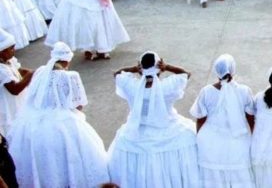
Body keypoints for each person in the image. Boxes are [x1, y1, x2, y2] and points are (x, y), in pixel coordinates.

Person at [8, 42, 109, 187]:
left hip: (33, 121)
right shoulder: (70, 76)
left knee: (44, 163)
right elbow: (78, 104)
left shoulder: (40, 71)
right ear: (68, 60)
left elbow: (32, 97)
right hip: (62, 121)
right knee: (68, 159)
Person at [108, 51, 197, 186]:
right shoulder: (166, 87)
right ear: (159, 68)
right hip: (168, 128)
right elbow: (186, 74)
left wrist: (132, 69)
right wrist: (168, 67)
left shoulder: (132, 86)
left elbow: (117, 74)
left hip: (137, 131)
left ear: (140, 68)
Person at [189, 54, 255, 187]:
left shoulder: (206, 92)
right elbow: (251, 118)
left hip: (211, 145)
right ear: (232, 70)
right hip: (238, 143)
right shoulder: (244, 91)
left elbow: (200, 119)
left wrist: (199, 138)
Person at [0, 29, 32, 135]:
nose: (14, 50)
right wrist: (30, 75)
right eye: (11, 48)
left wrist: (32, 72)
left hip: (18, 100)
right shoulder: (1, 70)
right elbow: (14, 89)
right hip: (8, 103)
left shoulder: (9, 60)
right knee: (13, 125)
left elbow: (19, 70)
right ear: (2, 51)